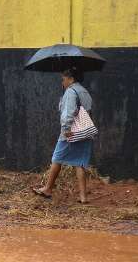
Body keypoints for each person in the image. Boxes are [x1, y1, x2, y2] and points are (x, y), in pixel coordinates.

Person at [33, 67, 94, 203]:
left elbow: (68, 112)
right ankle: (83, 197)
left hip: (70, 131)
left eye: (63, 79)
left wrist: (66, 129)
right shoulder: (84, 91)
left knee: (57, 158)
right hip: (84, 131)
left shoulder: (70, 92)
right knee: (80, 163)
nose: (62, 82)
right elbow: (88, 110)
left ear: (71, 78)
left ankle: (48, 188)